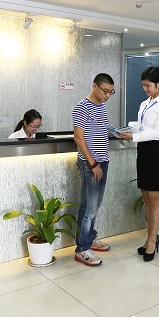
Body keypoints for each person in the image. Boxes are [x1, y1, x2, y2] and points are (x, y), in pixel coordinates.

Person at [118, 66, 159, 262]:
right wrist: (131, 131)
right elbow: (144, 127)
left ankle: (152, 240)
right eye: (143, 85)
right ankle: (150, 236)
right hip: (143, 151)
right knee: (146, 197)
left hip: (157, 152)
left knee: (155, 199)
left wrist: (133, 137)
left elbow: (158, 132)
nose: (145, 89)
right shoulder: (145, 103)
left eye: (148, 86)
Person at [71, 73, 116, 266]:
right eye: (105, 91)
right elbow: (78, 137)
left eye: (111, 92)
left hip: (102, 161)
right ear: (94, 86)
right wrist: (92, 164)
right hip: (91, 164)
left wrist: (116, 132)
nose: (108, 95)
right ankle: (82, 249)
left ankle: (90, 239)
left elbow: (98, 129)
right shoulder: (82, 107)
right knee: (88, 208)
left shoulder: (101, 106)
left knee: (95, 206)